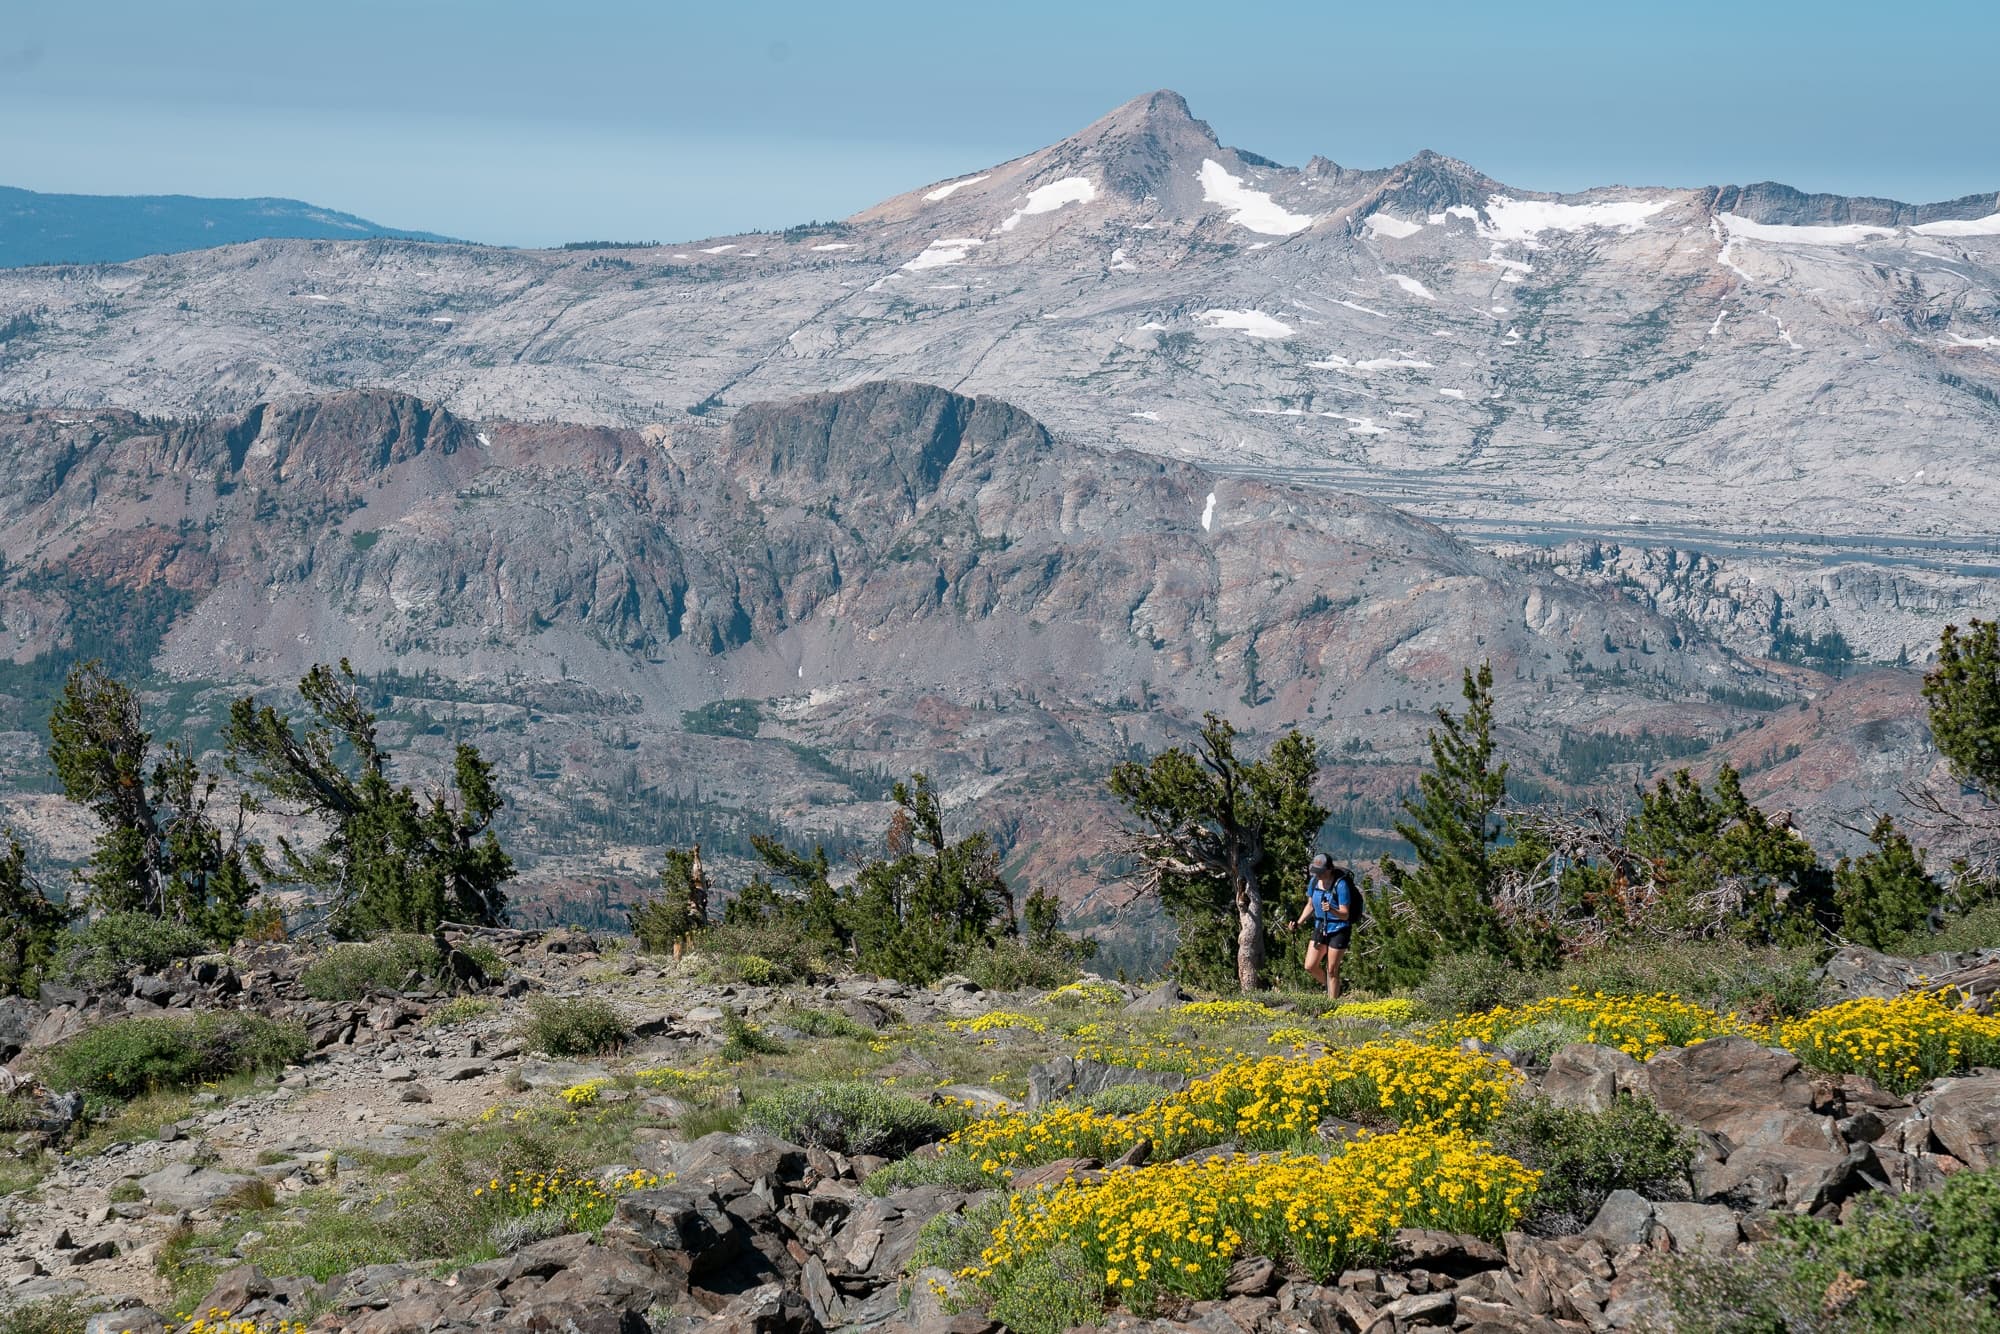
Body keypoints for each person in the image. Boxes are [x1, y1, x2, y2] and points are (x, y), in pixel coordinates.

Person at [1290, 853, 1355, 1000]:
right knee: (1310, 966)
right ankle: (1335, 988)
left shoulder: (1341, 885)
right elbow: (1311, 904)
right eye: (1316, 871)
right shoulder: (1314, 882)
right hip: (1321, 926)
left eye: (1320, 871)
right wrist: (1298, 923)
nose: (1318, 875)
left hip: (1339, 929)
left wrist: (1331, 909)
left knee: (1332, 969)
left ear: (1329, 869)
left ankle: (1332, 1002)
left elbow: (1345, 914)